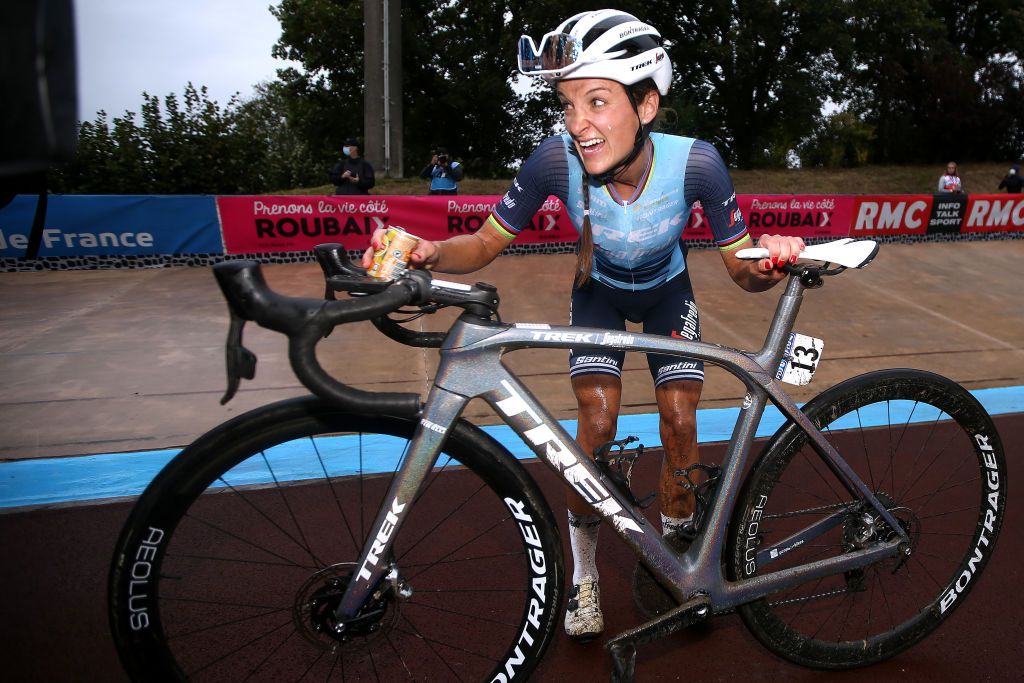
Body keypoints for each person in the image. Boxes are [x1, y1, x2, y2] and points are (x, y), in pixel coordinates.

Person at [362, 8, 804, 642]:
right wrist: (431, 251)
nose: (578, 124)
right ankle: (585, 575)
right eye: (568, 105)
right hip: (596, 291)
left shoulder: (698, 165)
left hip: (665, 292)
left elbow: (742, 270)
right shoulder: (553, 162)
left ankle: (679, 553)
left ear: (647, 105)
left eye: (597, 102)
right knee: (592, 430)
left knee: (680, 419)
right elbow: (483, 244)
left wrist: (773, 262)